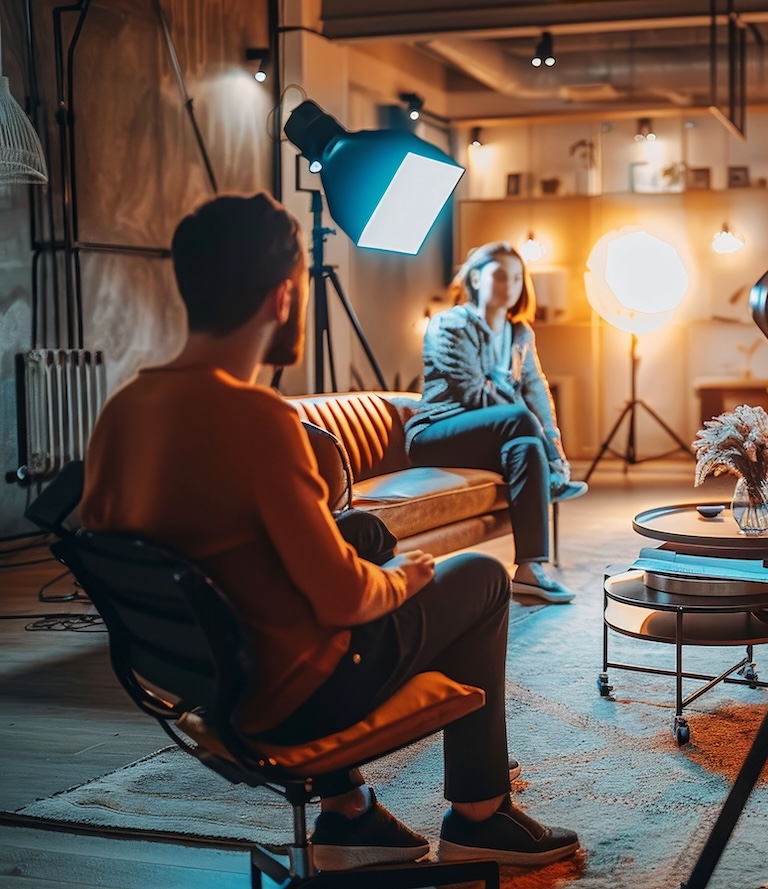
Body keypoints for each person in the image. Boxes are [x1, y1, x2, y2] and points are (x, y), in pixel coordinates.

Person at [79, 194, 579, 871]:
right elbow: (347, 602)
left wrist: (371, 555)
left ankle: (349, 814)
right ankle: (480, 815)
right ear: (285, 296)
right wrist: (410, 575)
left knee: (364, 530)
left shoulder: (123, 410)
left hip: (200, 682)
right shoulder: (258, 417)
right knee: (482, 577)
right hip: (295, 695)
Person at [405, 241, 586, 604]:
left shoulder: (520, 333)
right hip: (438, 432)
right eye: (500, 275)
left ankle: (530, 571)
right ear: (475, 277)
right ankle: (551, 481)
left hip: (494, 437)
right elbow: (472, 392)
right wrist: (522, 415)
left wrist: (557, 454)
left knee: (526, 444)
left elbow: (537, 392)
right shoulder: (450, 324)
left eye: (517, 277)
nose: (511, 284)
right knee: (518, 420)